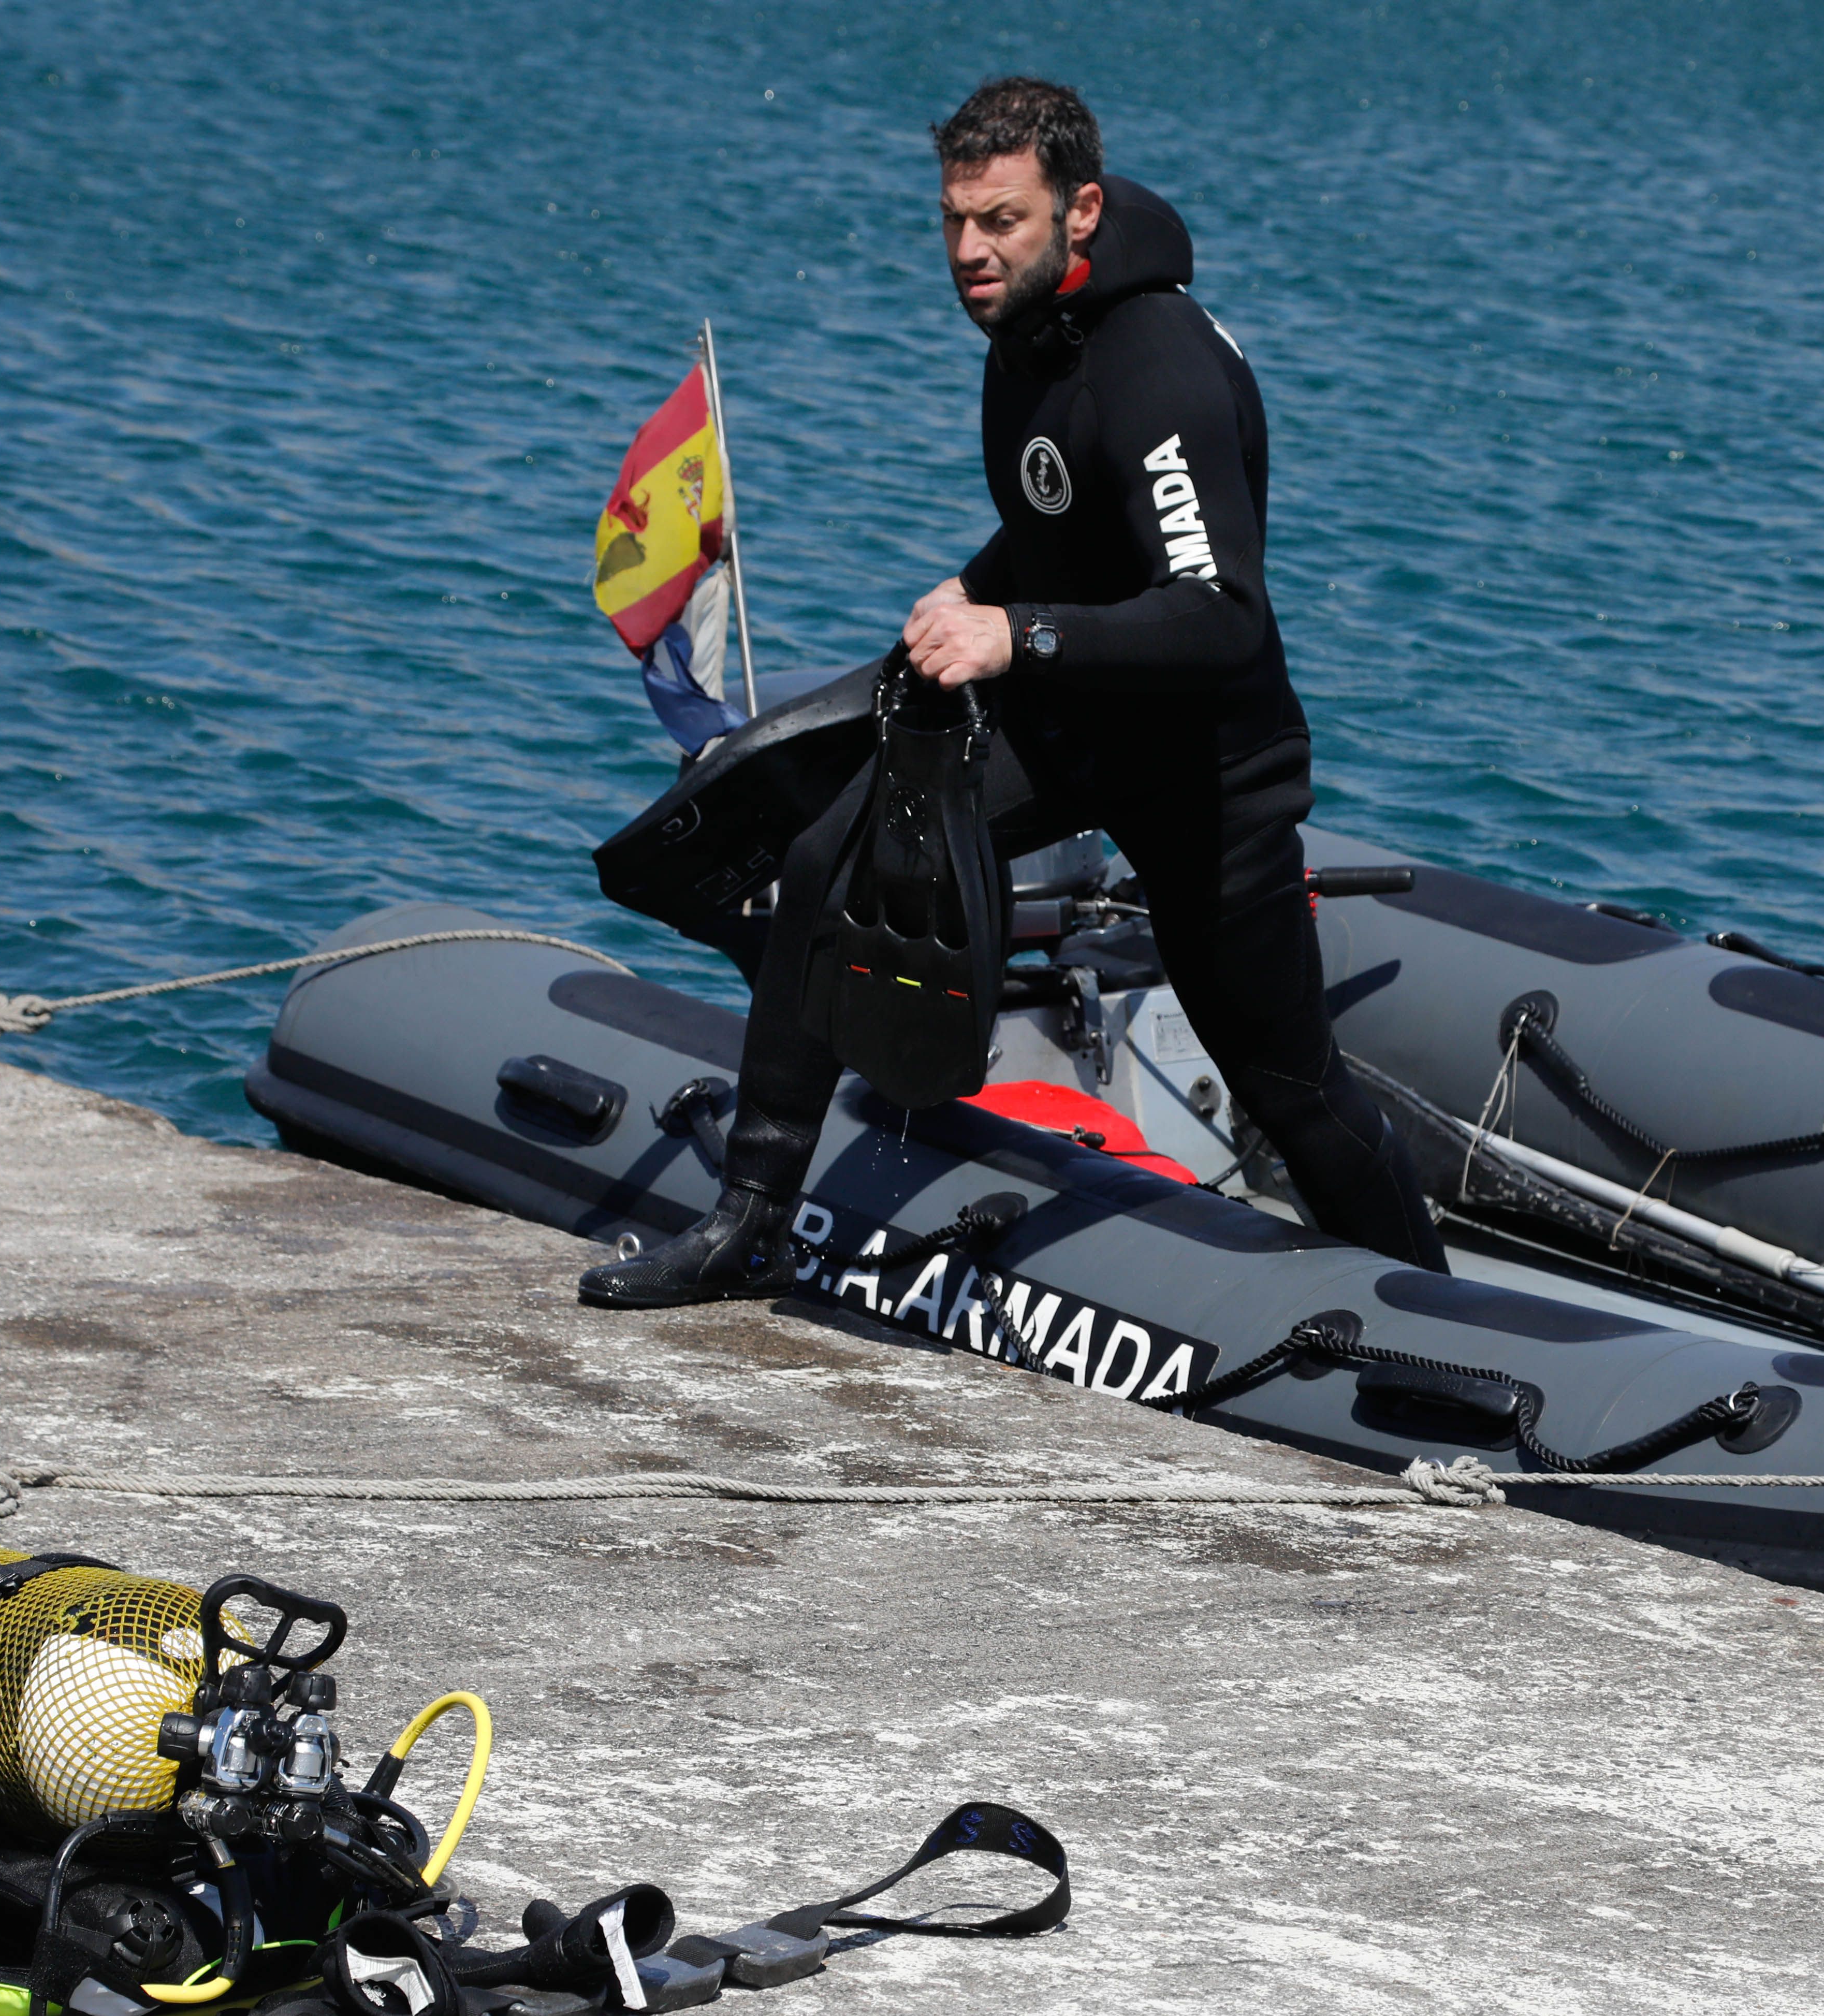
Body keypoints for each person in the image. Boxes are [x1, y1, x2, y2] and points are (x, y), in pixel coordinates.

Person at [582, 76, 1443, 1307]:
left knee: (1286, 1081)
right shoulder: (1031, 333)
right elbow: (1062, 524)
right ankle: (753, 1218)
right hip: (1071, 720)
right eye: (955, 223)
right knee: (836, 854)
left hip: (1203, 764)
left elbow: (1217, 613)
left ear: (1081, 212)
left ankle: (1439, 1305)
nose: (973, 253)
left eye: (1004, 223)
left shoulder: (1160, 370)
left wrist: (1012, 631)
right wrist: (977, 587)